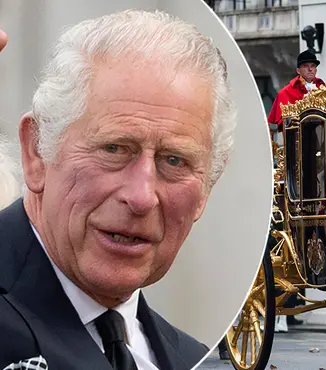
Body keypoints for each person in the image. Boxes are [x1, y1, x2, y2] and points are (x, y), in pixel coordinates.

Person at [0, 10, 237, 370]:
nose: (141, 197)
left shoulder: (192, 356)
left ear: (206, 189)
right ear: (37, 152)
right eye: (114, 149)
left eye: (174, 161)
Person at [267, 50, 325, 146]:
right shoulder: (285, 92)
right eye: (306, 66)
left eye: (313, 66)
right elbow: (273, 124)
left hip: (320, 139)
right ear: (298, 70)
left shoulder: (324, 88)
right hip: (295, 141)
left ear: (316, 70)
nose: (310, 69)